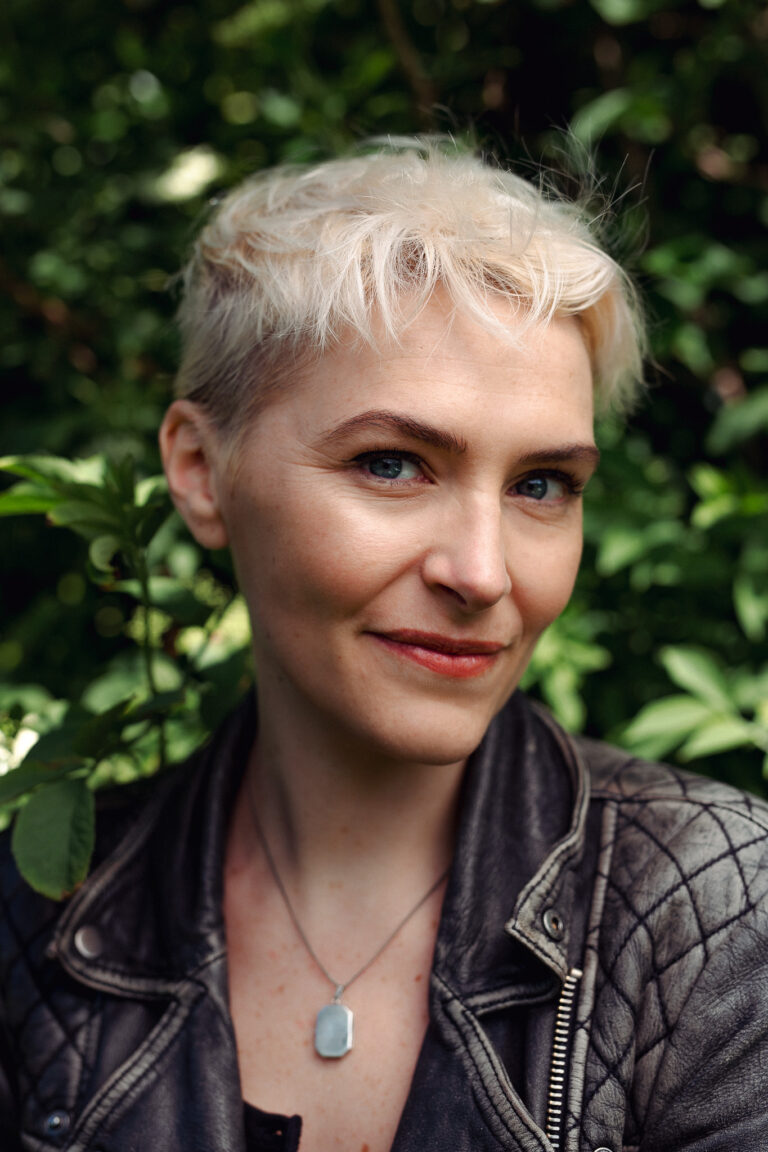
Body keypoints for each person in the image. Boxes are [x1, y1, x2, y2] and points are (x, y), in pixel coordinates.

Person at [2, 139, 768, 1152]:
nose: (483, 573)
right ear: (199, 469)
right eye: (394, 463)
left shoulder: (716, 913)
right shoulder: (37, 921)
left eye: (542, 484)